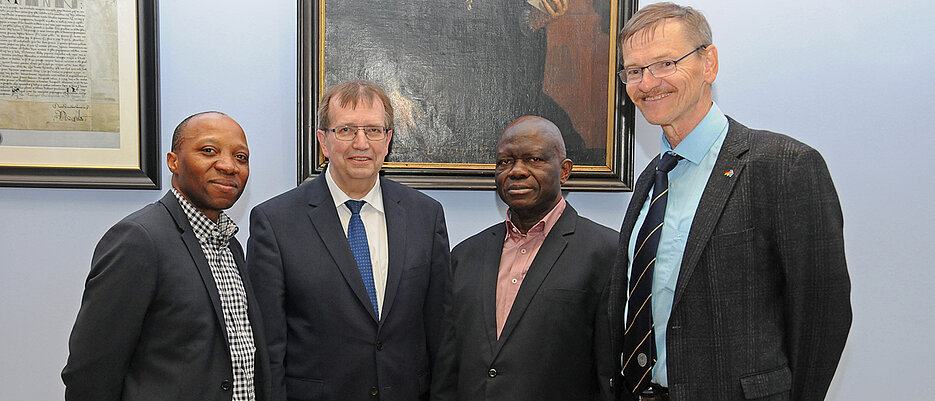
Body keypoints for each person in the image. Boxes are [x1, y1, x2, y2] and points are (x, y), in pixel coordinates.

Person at [608, 3, 851, 401]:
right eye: (634, 71)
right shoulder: (653, 177)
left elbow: (823, 315)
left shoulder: (783, 166)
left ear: (709, 63)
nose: (647, 83)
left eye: (665, 63)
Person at [247, 80, 451, 400]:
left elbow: (441, 332)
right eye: (345, 130)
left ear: (388, 141)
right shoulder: (275, 223)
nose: (360, 143)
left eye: (373, 130)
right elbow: (268, 347)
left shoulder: (426, 216)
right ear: (323, 142)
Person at [62, 111, 271, 401]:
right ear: (173, 161)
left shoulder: (230, 245)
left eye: (241, 157)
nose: (228, 166)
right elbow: (90, 369)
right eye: (208, 151)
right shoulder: (138, 240)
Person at [431, 116, 617, 401]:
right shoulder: (466, 255)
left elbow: (609, 371)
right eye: (504, 162)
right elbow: (448, 366)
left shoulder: (606, 251)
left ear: (564, 171)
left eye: (534, 159)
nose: (516, 171)